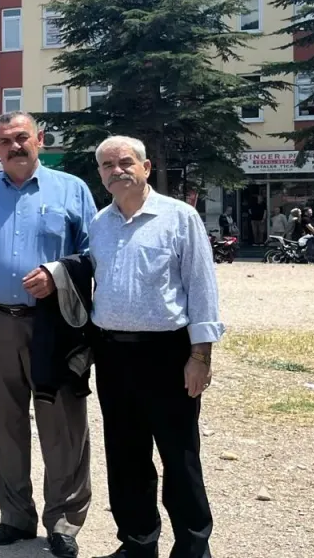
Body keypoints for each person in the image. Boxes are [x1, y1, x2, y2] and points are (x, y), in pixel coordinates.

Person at [78, 136, 223, 558]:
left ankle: (193, 547)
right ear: (100, 174)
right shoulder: (100, 223)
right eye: (107, 165)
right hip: (112, 355)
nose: (116, 170)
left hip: (167, 354)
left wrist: (200, 356)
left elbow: (202, 288)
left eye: (125, 162)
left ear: (145, 167)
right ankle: (138, 544)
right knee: (126, 455)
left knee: (180, 456)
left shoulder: (179, 217)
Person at [0, 111, 97, 558]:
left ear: (39, 138)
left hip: (54, 322)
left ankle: (63, 521)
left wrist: (57, 274)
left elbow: (96, 254)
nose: (14, 146)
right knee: (3, 423)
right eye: (4, 141)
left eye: (21, 137)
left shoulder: (71, 189)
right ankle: (15, 515)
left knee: (63, 424)